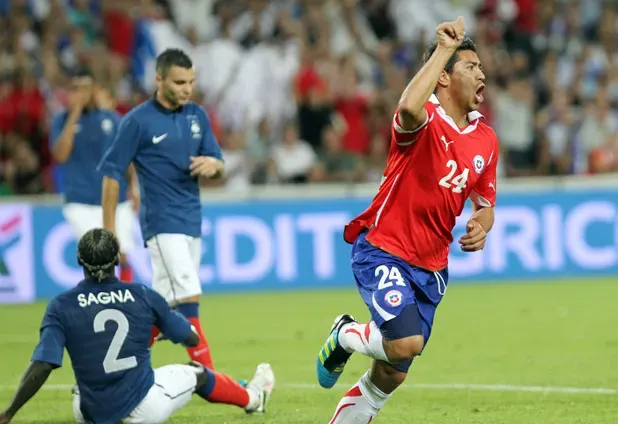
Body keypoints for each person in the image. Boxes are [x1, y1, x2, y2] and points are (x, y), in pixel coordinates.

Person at [315, 17, 499, 423]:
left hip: (432, 268)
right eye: (471, 67)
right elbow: (407, 107)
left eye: (481, 67)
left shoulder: (485, 139)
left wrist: (481, 226)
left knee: (389, 376)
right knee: (405, 343)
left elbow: (485, 202)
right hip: (383, 250)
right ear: (445, 78)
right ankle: (345, 333)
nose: (482, 73)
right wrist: (444, 50)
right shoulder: (423, 120)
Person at [97, 48, 258, 407]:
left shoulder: (197, 116)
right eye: (180, 82)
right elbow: (111, 174)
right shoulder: (138, 121)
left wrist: (212, 166)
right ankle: (223, 386)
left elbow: (219, 163)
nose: (187, 89)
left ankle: (115, 371)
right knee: (188, 299)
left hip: (191, 223)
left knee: (163, 308)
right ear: (159, 80)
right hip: (162, 225)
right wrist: (109, 233)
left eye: (191, 82)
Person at [0, 229, 275, 424]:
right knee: (198, 373)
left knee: (85, 383)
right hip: (143, 408)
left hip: (87, 412)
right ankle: (253, 399)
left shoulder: (61, 305)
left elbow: (43, 365)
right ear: (118, 260)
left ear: (78, 261)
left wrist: (9, 412)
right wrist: (161, 327)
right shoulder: (142, 295)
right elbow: (191, 339)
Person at [50, 68, 137, 282]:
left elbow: (129, 157)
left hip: (116, 198)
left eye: (85, 88)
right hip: (80, 199)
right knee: (96, 257)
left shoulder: (113, 119)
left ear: (94, 90)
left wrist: (134, 187)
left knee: (121, 252)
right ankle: (101, 302)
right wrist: (74, 114)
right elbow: (60, 155)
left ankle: (125, 300)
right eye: (76, 89)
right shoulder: (61, 121)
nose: (81, 94)